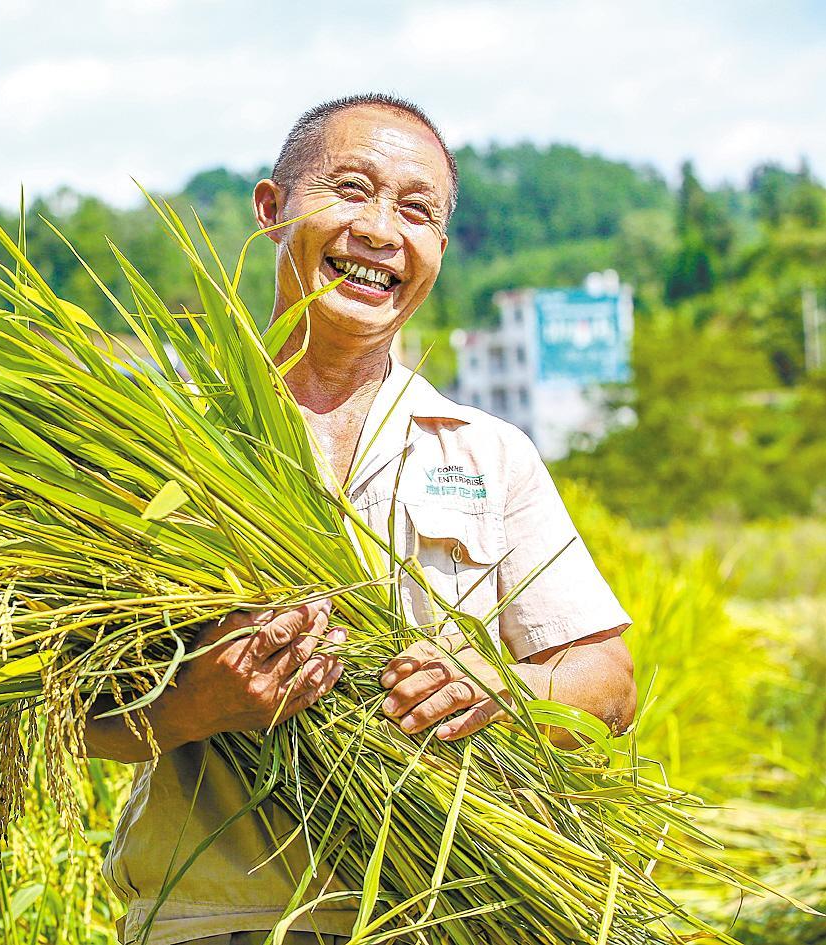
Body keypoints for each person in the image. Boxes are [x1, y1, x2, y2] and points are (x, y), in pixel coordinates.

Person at [83, 94, 637, 945]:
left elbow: (607, 681)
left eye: (417, 211)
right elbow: (76, 718)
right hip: (215, 920)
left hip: (450, 914)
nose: (381, 231)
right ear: (271, 209)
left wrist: (504, 688)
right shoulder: (158, 444)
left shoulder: (487, 452)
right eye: (350, 190)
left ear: (439, 250)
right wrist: (200, 703)